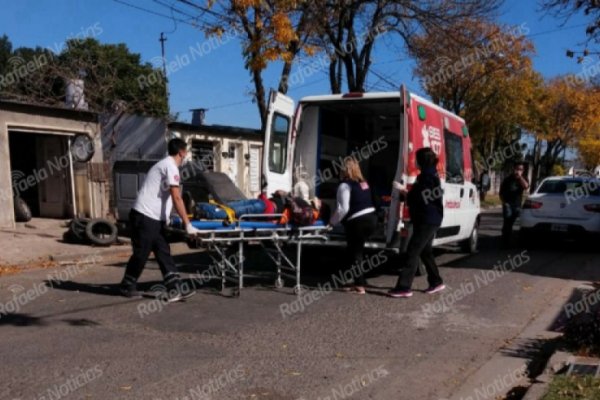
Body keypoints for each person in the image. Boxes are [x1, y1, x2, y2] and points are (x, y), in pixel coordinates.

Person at [119, 138, 202, 301]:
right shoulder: (170, 166)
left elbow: (165, 198)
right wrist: (188, 224)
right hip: (145, 216)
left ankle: (174, 288)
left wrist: (166, 218)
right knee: (141, 253)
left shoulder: (164, 165)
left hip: (153, 218)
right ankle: (127, 285)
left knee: (163, 252)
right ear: (181, 152)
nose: (185, 156)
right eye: (185, 152)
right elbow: (176, 197)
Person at [388, 147, 445, 298]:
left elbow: (420, 198)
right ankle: (436, 281)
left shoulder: (426, 177)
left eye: (417, 159)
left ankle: (404, 287)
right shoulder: (431, 175)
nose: (415, 161)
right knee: (425, 251)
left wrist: (403, 192)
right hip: (431, 218)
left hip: (427, 219)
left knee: (412, 251)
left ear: (422, 161)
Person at [329, 157, 377, 294]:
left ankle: (359, 285)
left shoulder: (345, 185)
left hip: (358, 221)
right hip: (371, 219)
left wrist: (331, 223)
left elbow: (343, 208)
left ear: (344, 169)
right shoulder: (364, 183)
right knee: (357, 251)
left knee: (355, 252)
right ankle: (359, 280)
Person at [499, 162, 529, 247]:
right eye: (517, 169)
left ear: (523, 171)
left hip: (517, 205)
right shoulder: (508, 179)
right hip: (508, 204)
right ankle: (505, 242)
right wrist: (504, 202)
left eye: (521, 169)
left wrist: (520, 178)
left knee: (511, 223)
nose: (518, 171)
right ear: (514, 169)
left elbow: (526, 186)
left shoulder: (523, 179)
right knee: (507, 222)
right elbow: (501, 192)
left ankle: (506, 238)